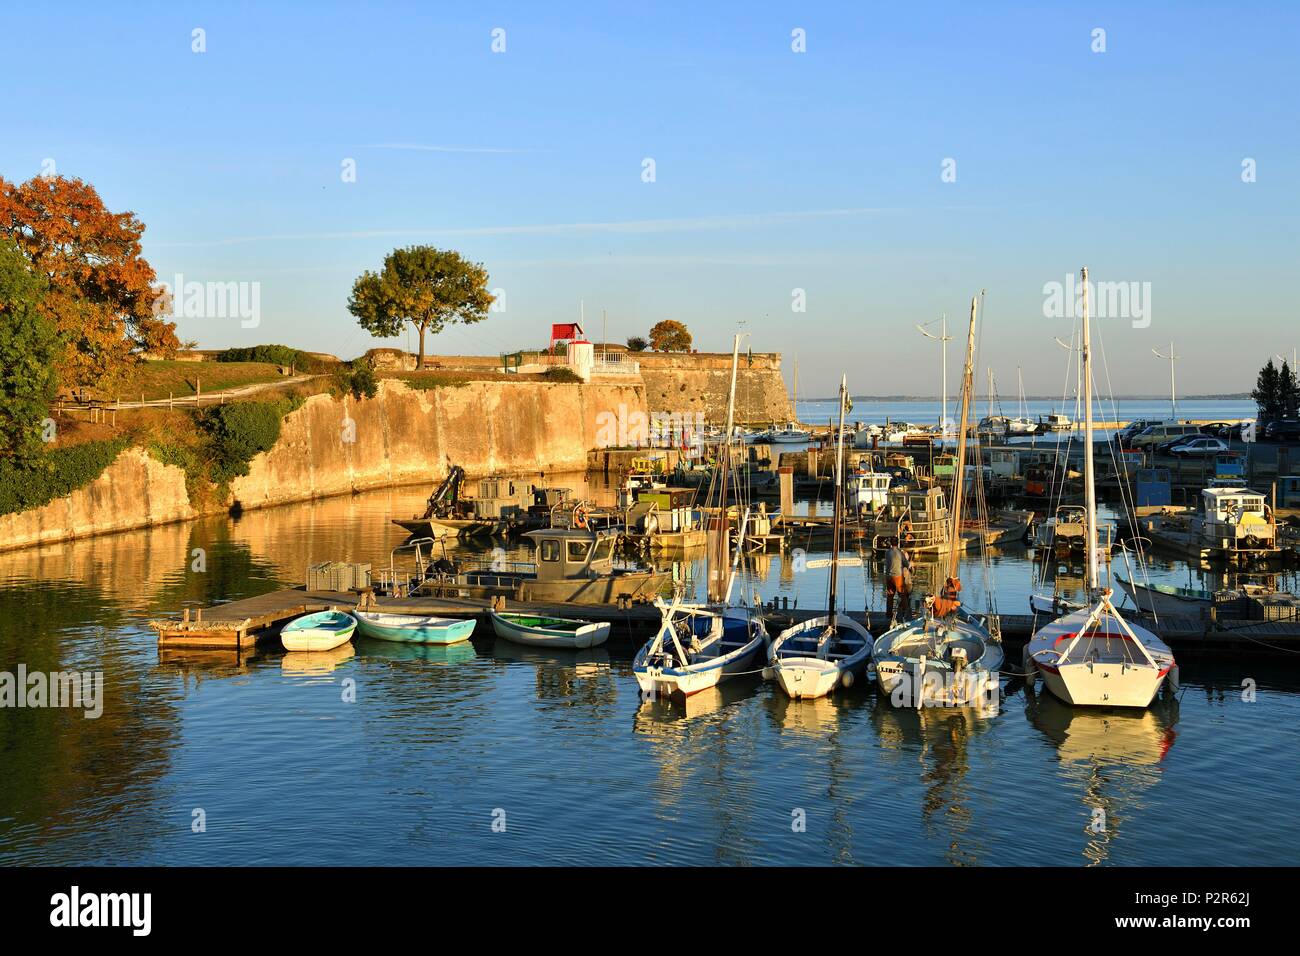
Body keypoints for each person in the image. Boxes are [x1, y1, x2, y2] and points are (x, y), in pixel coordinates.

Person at [885, 538, 911, 623]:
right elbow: (906, 564)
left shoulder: (887, 552)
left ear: (891, 543)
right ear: (898, 543)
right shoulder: (900, 553)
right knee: (902, 595)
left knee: (890, 595)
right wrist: (908, 565)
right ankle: (907, 614)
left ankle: (889, 614)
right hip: (897, 576)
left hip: (888, 576)